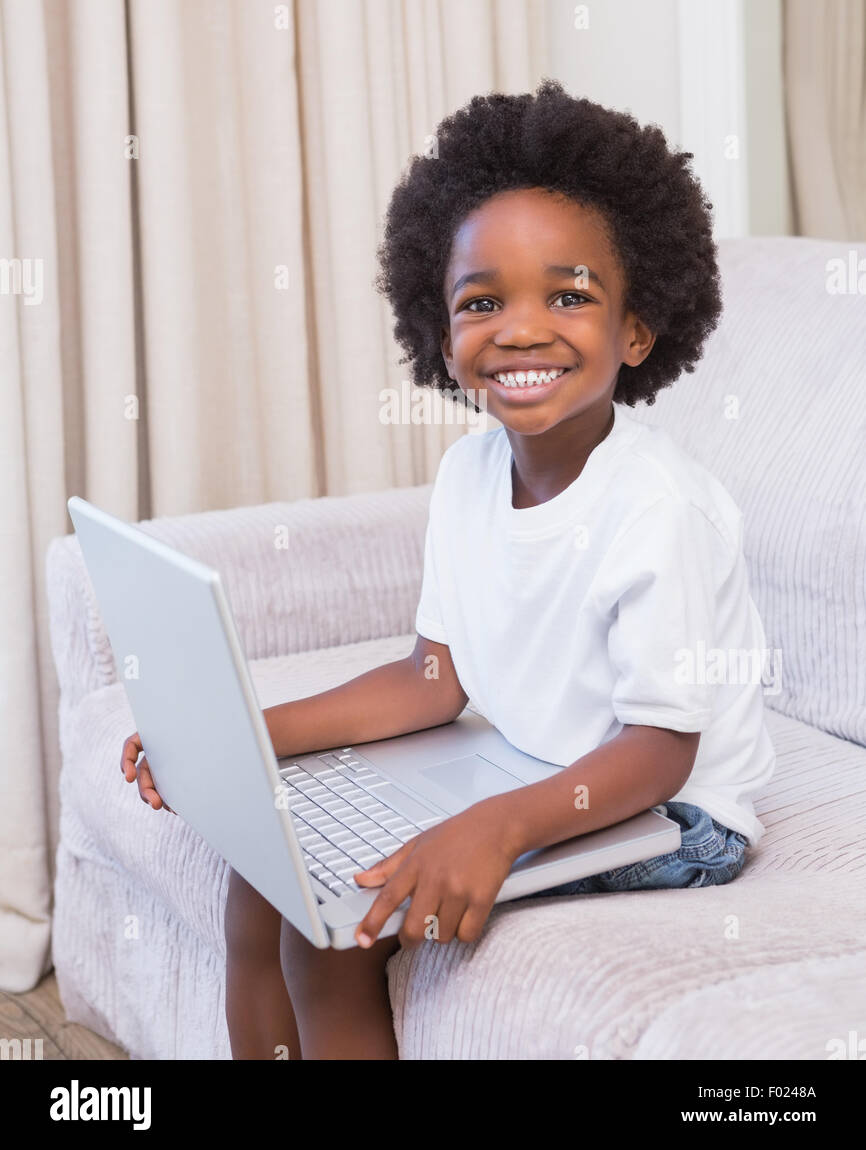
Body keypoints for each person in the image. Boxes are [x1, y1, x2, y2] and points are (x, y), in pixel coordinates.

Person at [121, 80, 776, 1060]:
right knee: (260, 864)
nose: (519, 328)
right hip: (532, 763)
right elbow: (435, 678)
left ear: (636, 329)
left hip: (672, 816)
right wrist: (245, 738)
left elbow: (656, 751)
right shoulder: (469, 473)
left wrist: (495, 825)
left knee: (334, 923)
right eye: (482, 301)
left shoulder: (656, 509)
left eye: (567, 295)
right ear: (441, 336)